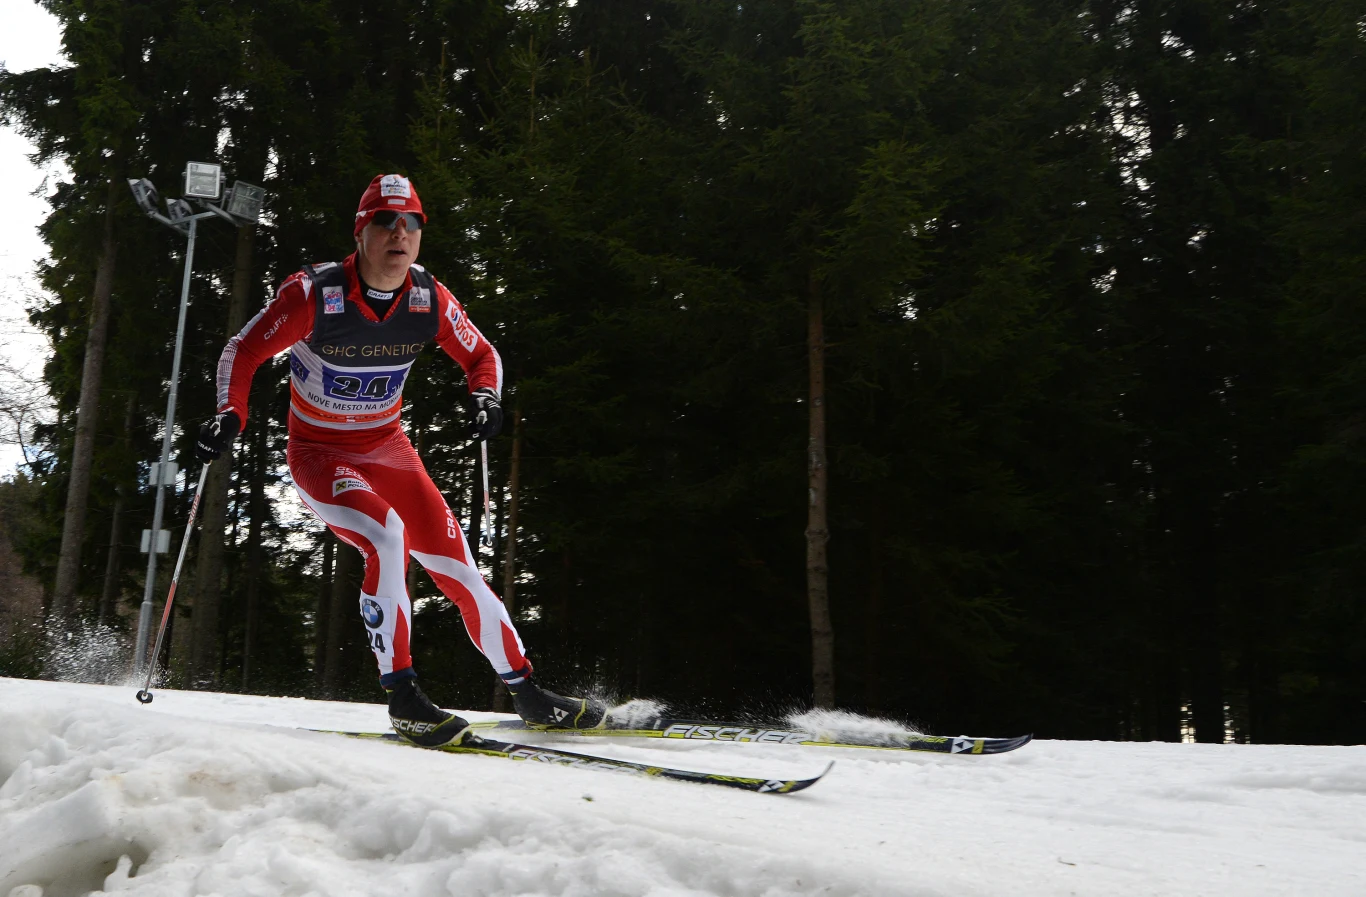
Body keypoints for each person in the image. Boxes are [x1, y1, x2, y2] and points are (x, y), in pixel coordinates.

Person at [195, 173, 605, 746]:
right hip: (320, 454)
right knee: (386, 536)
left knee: (458, 568)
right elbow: (243, 349)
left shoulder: (426, 298)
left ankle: (528, 692)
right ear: (361, 231)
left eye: (411, 223)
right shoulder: (314, 294)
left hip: (389, 449)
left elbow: (481, 354)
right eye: (386, 221)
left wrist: (486, 397)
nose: (400, 233)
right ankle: (404, 697)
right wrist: (229, 412)